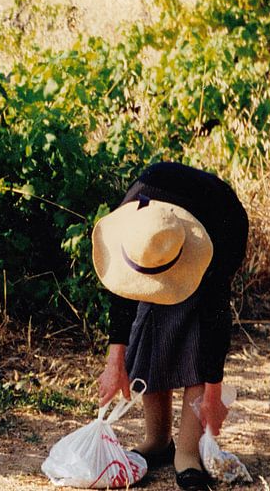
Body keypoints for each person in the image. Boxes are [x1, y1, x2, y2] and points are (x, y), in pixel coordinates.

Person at [92, 161, 248, 491]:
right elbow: (122, 297)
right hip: (165, 222)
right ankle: (159, 440)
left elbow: (214, 323)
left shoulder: (222, 235)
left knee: (194, 335)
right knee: (149, 326)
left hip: (216, 221)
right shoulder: (132, 229)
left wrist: (214, 395)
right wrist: (114, 364)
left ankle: (188, 454)